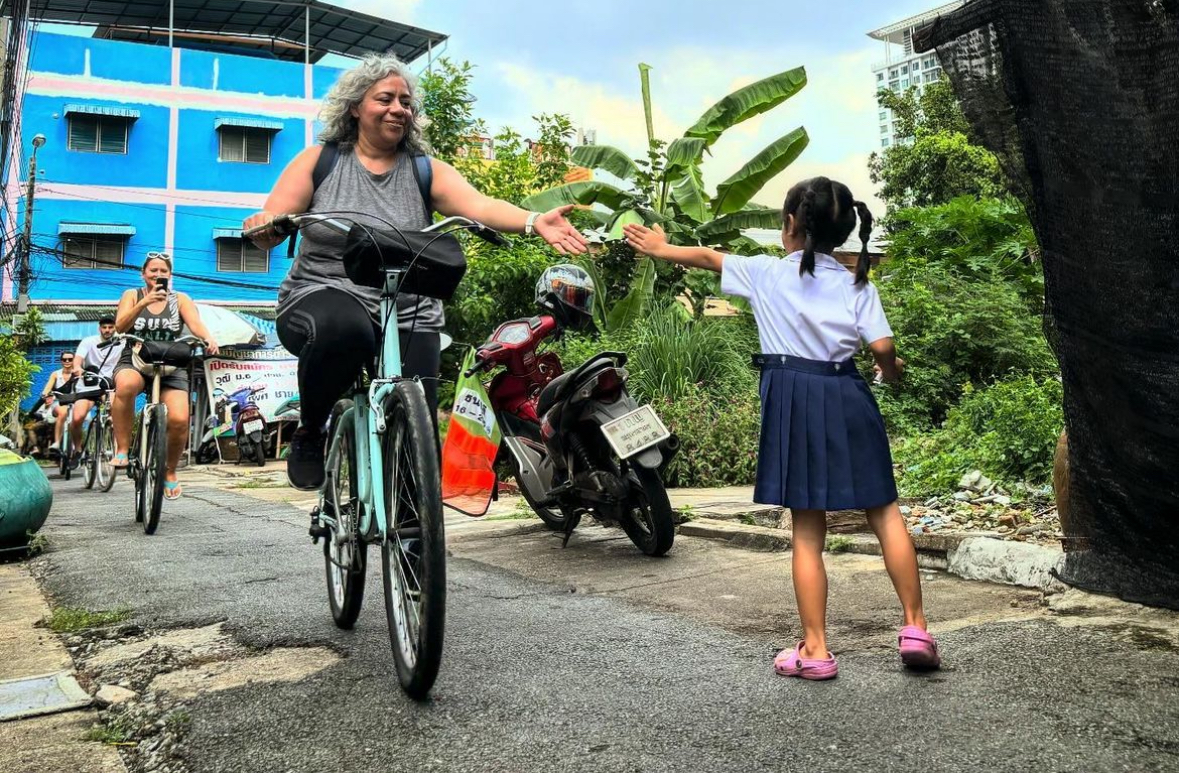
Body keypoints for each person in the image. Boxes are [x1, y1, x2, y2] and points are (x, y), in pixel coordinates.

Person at [624, 176, 940, 679]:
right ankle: (916, 628)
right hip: (847, 393)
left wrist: (662, 249)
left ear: (790, 224)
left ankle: (815, 650)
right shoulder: (857, 283)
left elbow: (708, 256)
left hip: (793, 397)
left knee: (808, 530)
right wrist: (892, 368)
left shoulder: (766, 274)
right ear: (841, 232)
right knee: (884, 511)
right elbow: (882, 349)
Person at [243, 52, 587, 491]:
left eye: (405, 101)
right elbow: (275, 218)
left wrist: (532, 220)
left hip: (407, 311)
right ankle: (312, 429)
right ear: (355, 108)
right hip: (324, 293)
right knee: (344, 330)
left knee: (415, 436)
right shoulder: (321, 162)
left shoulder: (424, 171)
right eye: (385, 98)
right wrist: (263, 227)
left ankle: (411, 539)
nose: (398, 108)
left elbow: (479, 205)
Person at [111, 254, 220, 499]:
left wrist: (208, 338)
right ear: (143, 273)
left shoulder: (180, 299)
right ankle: (123, 448)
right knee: (126, 386)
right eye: (153, 270)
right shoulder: (132, 295)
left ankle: (169, 471)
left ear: (169, 275)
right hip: (137, 357)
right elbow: (120, 326)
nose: (158, 274)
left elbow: (195, 323)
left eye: (163, 271)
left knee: (180, 419)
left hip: (171, 361)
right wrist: (144, 302)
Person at [65, 314, 121, 460]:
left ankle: (117, 452)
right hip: (89, 384)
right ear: (99, 328)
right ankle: (77, 449)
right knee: (77, 418)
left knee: (117, 417)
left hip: (109, 385)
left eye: (110, 327)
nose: (107, 330)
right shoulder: (88, 342)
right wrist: (77, 367)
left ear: (115, 328)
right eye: (104, 327)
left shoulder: (121, 342)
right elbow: (78, 360)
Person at [34, 351, 76, 460]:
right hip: (59, 403)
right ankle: (57, 443)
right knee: (62, 412)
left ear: (74, 360)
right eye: (64, 359)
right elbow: (48, 387)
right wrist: (45, 393)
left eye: (70, 359)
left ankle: (79, 446)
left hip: (75, 403)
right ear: (61, 361)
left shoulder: (78, 373)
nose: (67, 361)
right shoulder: (56, 374)